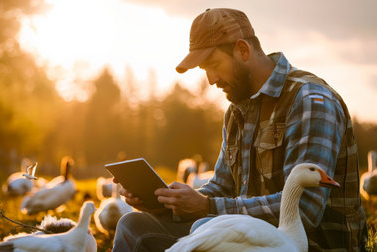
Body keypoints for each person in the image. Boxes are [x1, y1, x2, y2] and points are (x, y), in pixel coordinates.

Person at [112, 8, 367, 252]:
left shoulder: (310, 101)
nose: (211, 79)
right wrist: (167, 202)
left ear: (243, 50)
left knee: (203, 227)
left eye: (213, 64)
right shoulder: (237, 111)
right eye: (204, 70)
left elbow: (305, 209)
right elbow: (222, 189)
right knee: (134, 226)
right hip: (253, 241)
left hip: (309, 246)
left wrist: (206, 207)